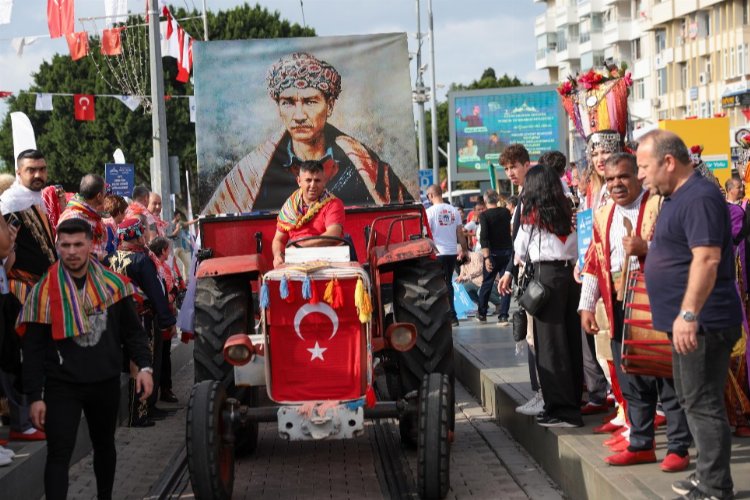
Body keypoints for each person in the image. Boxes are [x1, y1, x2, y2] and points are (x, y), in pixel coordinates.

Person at [637, 129, 742, 500]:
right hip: (691, 322)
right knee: (691, 399)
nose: (640, 176)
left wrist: (688, 313)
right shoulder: (679, 198)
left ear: (669, 161)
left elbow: (708, 257)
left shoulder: (698, 197)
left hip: (704, 322)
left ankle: (715, 487)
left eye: (644, 166)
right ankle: (705, 476)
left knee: (703, 402)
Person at [18, 218, 153, 500]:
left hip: (104, 382)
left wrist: (144, 367)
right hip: (61, 386)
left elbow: (133, 332)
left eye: (78, 244)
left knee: (104, 446)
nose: (71, 251)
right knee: (58, 454)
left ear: (90, 245)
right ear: (57, 246)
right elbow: (32, 349)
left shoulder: (113, 285)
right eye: (65, 245)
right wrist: (35, 395)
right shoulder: (43, 292)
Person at [579, 153, 692, 471]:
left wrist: (648, 249)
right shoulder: (602, 215)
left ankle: (679, 448)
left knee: (668, 377)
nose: (616, 184)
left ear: (639, 177)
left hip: (658, 302)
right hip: (618, 304)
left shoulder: (662, 205)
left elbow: (686, 250)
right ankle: (641, 444)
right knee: (632, 378)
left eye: (623, 177)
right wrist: (586, 305)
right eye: (611, 179)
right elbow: (593, 260)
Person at [204, 52, 413, 214]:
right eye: (288, 103)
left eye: (310, 102)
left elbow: (404, 214)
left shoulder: (365, 165)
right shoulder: (252, 172)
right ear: (278, 108)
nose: (299, 115)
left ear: (329, 106)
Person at [514, 165, 582, 428]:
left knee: (550, 345)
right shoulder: (569, 210)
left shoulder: (531, 214)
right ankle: (573, 403)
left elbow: (519, 249)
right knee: (571, 341)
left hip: (546, 278)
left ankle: (561, 409)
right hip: (571, 277)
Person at [0, 149, 55, 444]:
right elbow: (6, 250)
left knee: (38, 354)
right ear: (19, 172)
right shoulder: (9, 205)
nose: (38, 175)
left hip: (40, 290)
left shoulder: (36, 201)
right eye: (32, 169)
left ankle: (32, 416)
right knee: (23, 355)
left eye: (42, 169)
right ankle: (22, 419)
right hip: (20, 290)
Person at [105, 217, 176, 427]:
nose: (145, 235)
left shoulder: (109, 258)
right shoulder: (141, 260)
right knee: (144, 363)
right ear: (135, 235)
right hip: (141, 319)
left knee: (132, 363)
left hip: (116, 320)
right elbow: (155, 293)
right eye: (142, 231)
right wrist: (167, 319)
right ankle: (140, 413)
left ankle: (148, 409)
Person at [271, 160, 345, 268]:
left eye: (317, 180)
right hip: (294, 262)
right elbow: (278, 239)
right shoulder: (289, 207)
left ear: (324, 181)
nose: (313, 185)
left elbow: (333, 235)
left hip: (329, 263)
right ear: (299, 181)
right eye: (308, 180)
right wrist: (277, 255)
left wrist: (300, 247)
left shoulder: (333, 203)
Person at [425, 184, 469, 328]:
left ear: (431, 196)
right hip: (451, 253)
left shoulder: (429, 212)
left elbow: (425, 235)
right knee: (448, 283)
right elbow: (460, 234)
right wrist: (465, 250)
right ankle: (452, 317)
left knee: (435, 285)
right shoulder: (454, 211)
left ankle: (441, 317)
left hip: (437, 253)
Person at [148, 237, 179, 404]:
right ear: (163, 250)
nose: (170, 252)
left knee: (164, 356)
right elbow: (166, 294)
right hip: (162, 317)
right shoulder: (160, 267)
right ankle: (164, 390)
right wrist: (174, 294)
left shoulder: (162, 266)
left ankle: (164, 390)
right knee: (162, 357)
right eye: (168, 249)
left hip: (164, 315)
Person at [476, 189, 512, 324]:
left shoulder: (484, 216)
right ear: (497, 199)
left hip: (492, 254)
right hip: (507, 252)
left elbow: (483, 237)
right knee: (506, 283)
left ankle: (482, 313)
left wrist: (486, 258)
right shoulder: (506, 212)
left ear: (485, 201)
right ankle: (503, 315)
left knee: (487, 283)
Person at [57, 174, 108, 261]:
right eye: (105, 193)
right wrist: (100, 257)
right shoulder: (74, 218)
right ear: (99, 196)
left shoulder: (92, 216)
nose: (105, 196)